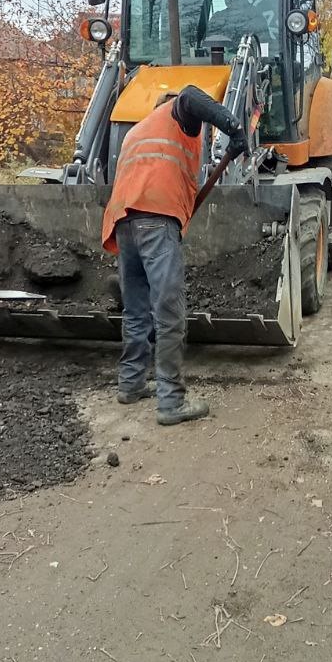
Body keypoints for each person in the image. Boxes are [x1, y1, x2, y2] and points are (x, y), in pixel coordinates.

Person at [101, 86, 248, 425]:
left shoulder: (136, 131)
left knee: (136, 310)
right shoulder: (175, 114)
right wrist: (234, 128)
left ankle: (131, 384)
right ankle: (171, 402)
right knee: (170, 312)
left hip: (123, 220)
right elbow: (191, 95)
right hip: (156, 219)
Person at [203, 0, 272, 52]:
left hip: (251, 61)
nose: (229, 2)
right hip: (221, 62)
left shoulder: (256, 17)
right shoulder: (217, 19)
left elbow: (265, 47)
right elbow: (209, 46)